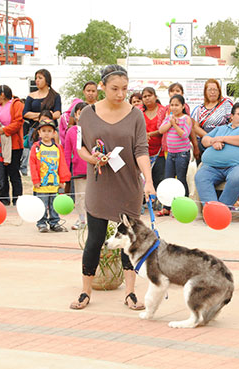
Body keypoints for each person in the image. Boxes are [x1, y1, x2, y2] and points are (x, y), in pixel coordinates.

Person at [71, 64, 155, 310]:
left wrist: (148, 181)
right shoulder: (87, 114)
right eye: (115, 89)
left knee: (128, 240)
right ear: (103, 87)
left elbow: (141, 150)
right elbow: (81, 147)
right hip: (99, 184)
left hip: (128, 186)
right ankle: (85, 292)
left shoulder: (136, 115)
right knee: (95, 239)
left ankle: (130, 293)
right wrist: (93, 159)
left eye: (125, 89)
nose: (120, 94)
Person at [194, 102, 239, 206]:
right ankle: (212, 210)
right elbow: (205, 140)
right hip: (213, 167)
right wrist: (213, 142)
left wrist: (223, 139)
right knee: (201, 176)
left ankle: (221, 211)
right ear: (232, 116)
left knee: (237, 178)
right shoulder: (221, 129)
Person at [29, 118, 71, 232]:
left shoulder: (57, 147)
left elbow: (62, 164)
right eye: (43, 130)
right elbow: (32, 164)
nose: (46, 133)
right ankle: (41, 223)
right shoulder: (36, 147)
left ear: (54, 133)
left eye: (49, 131)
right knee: (42, 204)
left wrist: (62, 180)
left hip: (55, 183)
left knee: (54, 205)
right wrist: (35, 180)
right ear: (39, 133)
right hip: (41, 184)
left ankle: (54, 222)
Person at [0, 85, 24, 206]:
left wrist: (3, 131)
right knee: (1, 173)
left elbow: (18, 122)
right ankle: (4, 198)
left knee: (13, 172)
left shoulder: (16, 104)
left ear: (2, 94)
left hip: (14, 144)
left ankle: (17, 199)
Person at [157, 94, 192, 216]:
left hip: (182, 153)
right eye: (172, 105)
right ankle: (167, 207)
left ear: (183, 106)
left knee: (181, 179)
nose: (174, 107)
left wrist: (175, 124)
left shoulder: (186, 118)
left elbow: (184, 135)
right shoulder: (169, 118)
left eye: (177, 105)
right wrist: (171, 122)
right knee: (168, 180)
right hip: (170, 153)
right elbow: (161, 130)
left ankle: (183, 207)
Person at [192, 79, 233, 155]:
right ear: (205, 92)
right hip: (205, 143)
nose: (212, 92)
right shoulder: (200, 109)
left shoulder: (226, 104)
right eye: (210, 90)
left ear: (219, 91)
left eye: (215, 90)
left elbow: (232, 122)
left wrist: (220, 139)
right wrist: (210, 139)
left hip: (223, 141)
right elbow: (195, 127)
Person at [64, 102, 88, 230]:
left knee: (93, 197)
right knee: (80, 196)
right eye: (80, 113)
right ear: (76, 115)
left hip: (94, 170)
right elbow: (67, 152)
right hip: (79, 170)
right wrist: (65, 171)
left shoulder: (94, 130)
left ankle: (94, 220)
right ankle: (82, 219)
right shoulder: (71, 131)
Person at [140, 87, 166, 192]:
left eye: (149, 96)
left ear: (155, 97)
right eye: (144, 97)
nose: (147, 98)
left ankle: (159, 202)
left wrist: (149, 134)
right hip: (143, 152)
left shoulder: (163, 111)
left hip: (160, 151)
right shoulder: (139, 112)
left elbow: (165, 128)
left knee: (159, 177)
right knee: (144, 178)